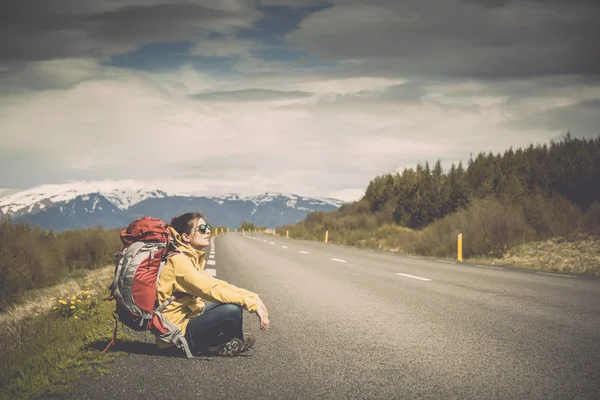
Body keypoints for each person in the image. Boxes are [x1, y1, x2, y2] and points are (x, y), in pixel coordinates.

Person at [156, 211, 269, 356]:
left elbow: (219, 284)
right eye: (202, 229)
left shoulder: (188, 258)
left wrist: (253, 297)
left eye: (207, 227)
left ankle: (230, 342)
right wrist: (251, 305)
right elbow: (211, 290)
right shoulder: (179, 262)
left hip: (187, 323)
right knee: (231, 311)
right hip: (175, 336)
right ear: (185, 237)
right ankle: (228, 343)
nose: (208, 231)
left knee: (233, 305)